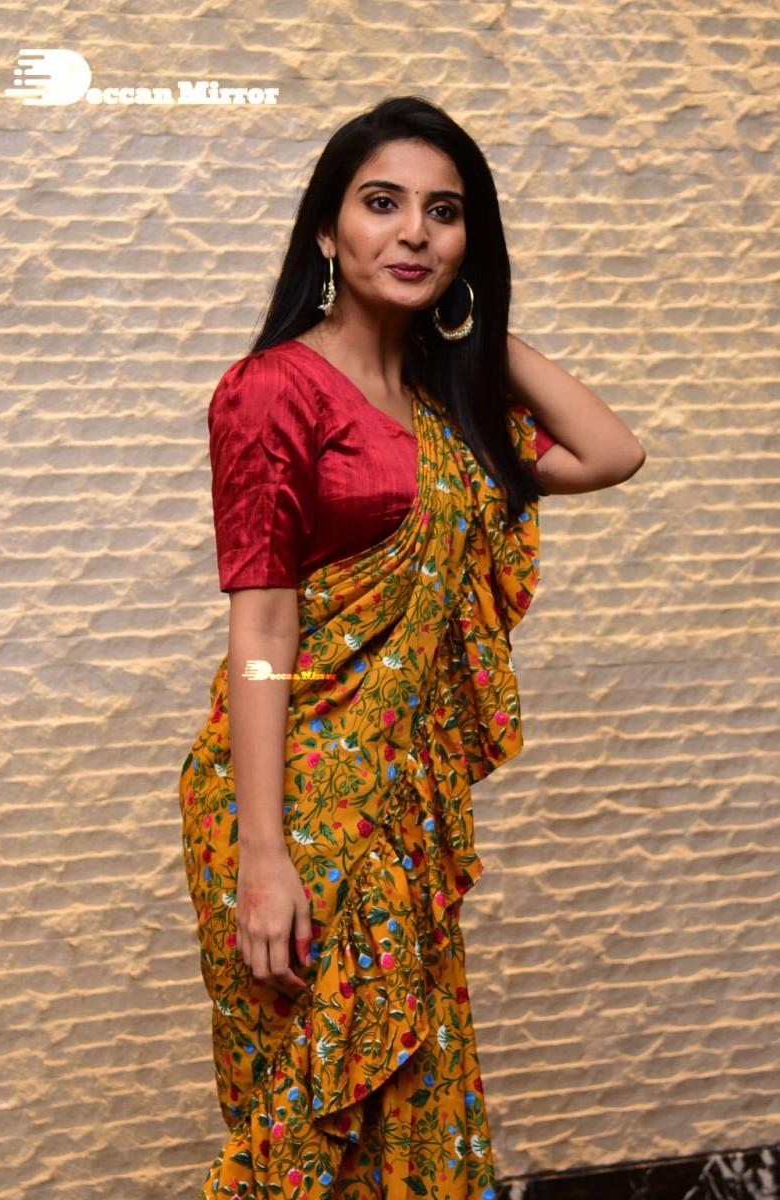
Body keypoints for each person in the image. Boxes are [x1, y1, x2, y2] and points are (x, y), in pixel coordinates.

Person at [178, 95, 646, 1200]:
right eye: (381, 203)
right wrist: (263, 856)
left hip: (405, 811)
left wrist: (479, 331)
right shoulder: (273, 390)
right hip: (296, 807)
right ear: (326, 229)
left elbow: (610, 450)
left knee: (416, 1112)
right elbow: (262, 626)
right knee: (310, 1117)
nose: (414, 233)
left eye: (445, 213)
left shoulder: (451, 411)